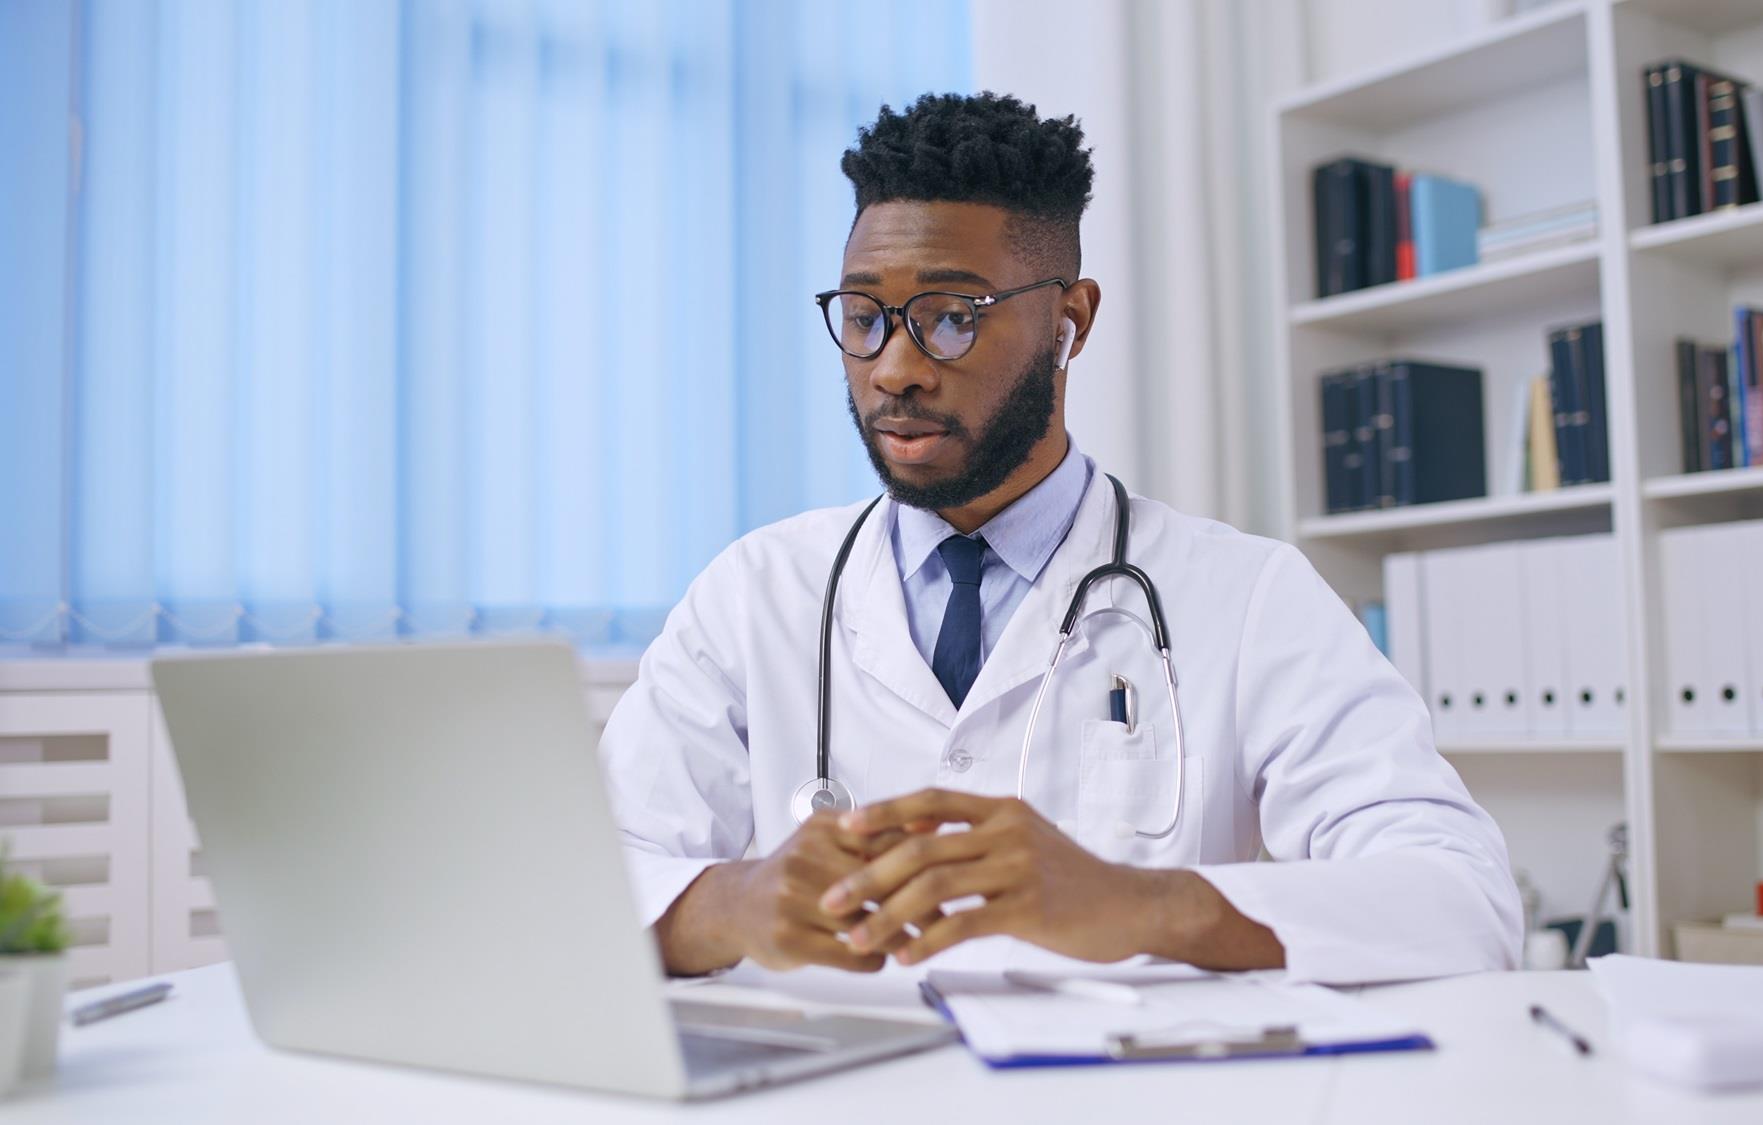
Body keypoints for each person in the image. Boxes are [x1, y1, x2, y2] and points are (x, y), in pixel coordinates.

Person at [599, 92, 1521, 984]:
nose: (895, 367)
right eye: (864, 316)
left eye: (953, 317)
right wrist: (731, 903)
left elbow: (1461, 897)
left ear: (1069, 321)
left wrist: (1140, 904)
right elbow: (590, 879)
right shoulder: (755, 592)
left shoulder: (1248, 596)